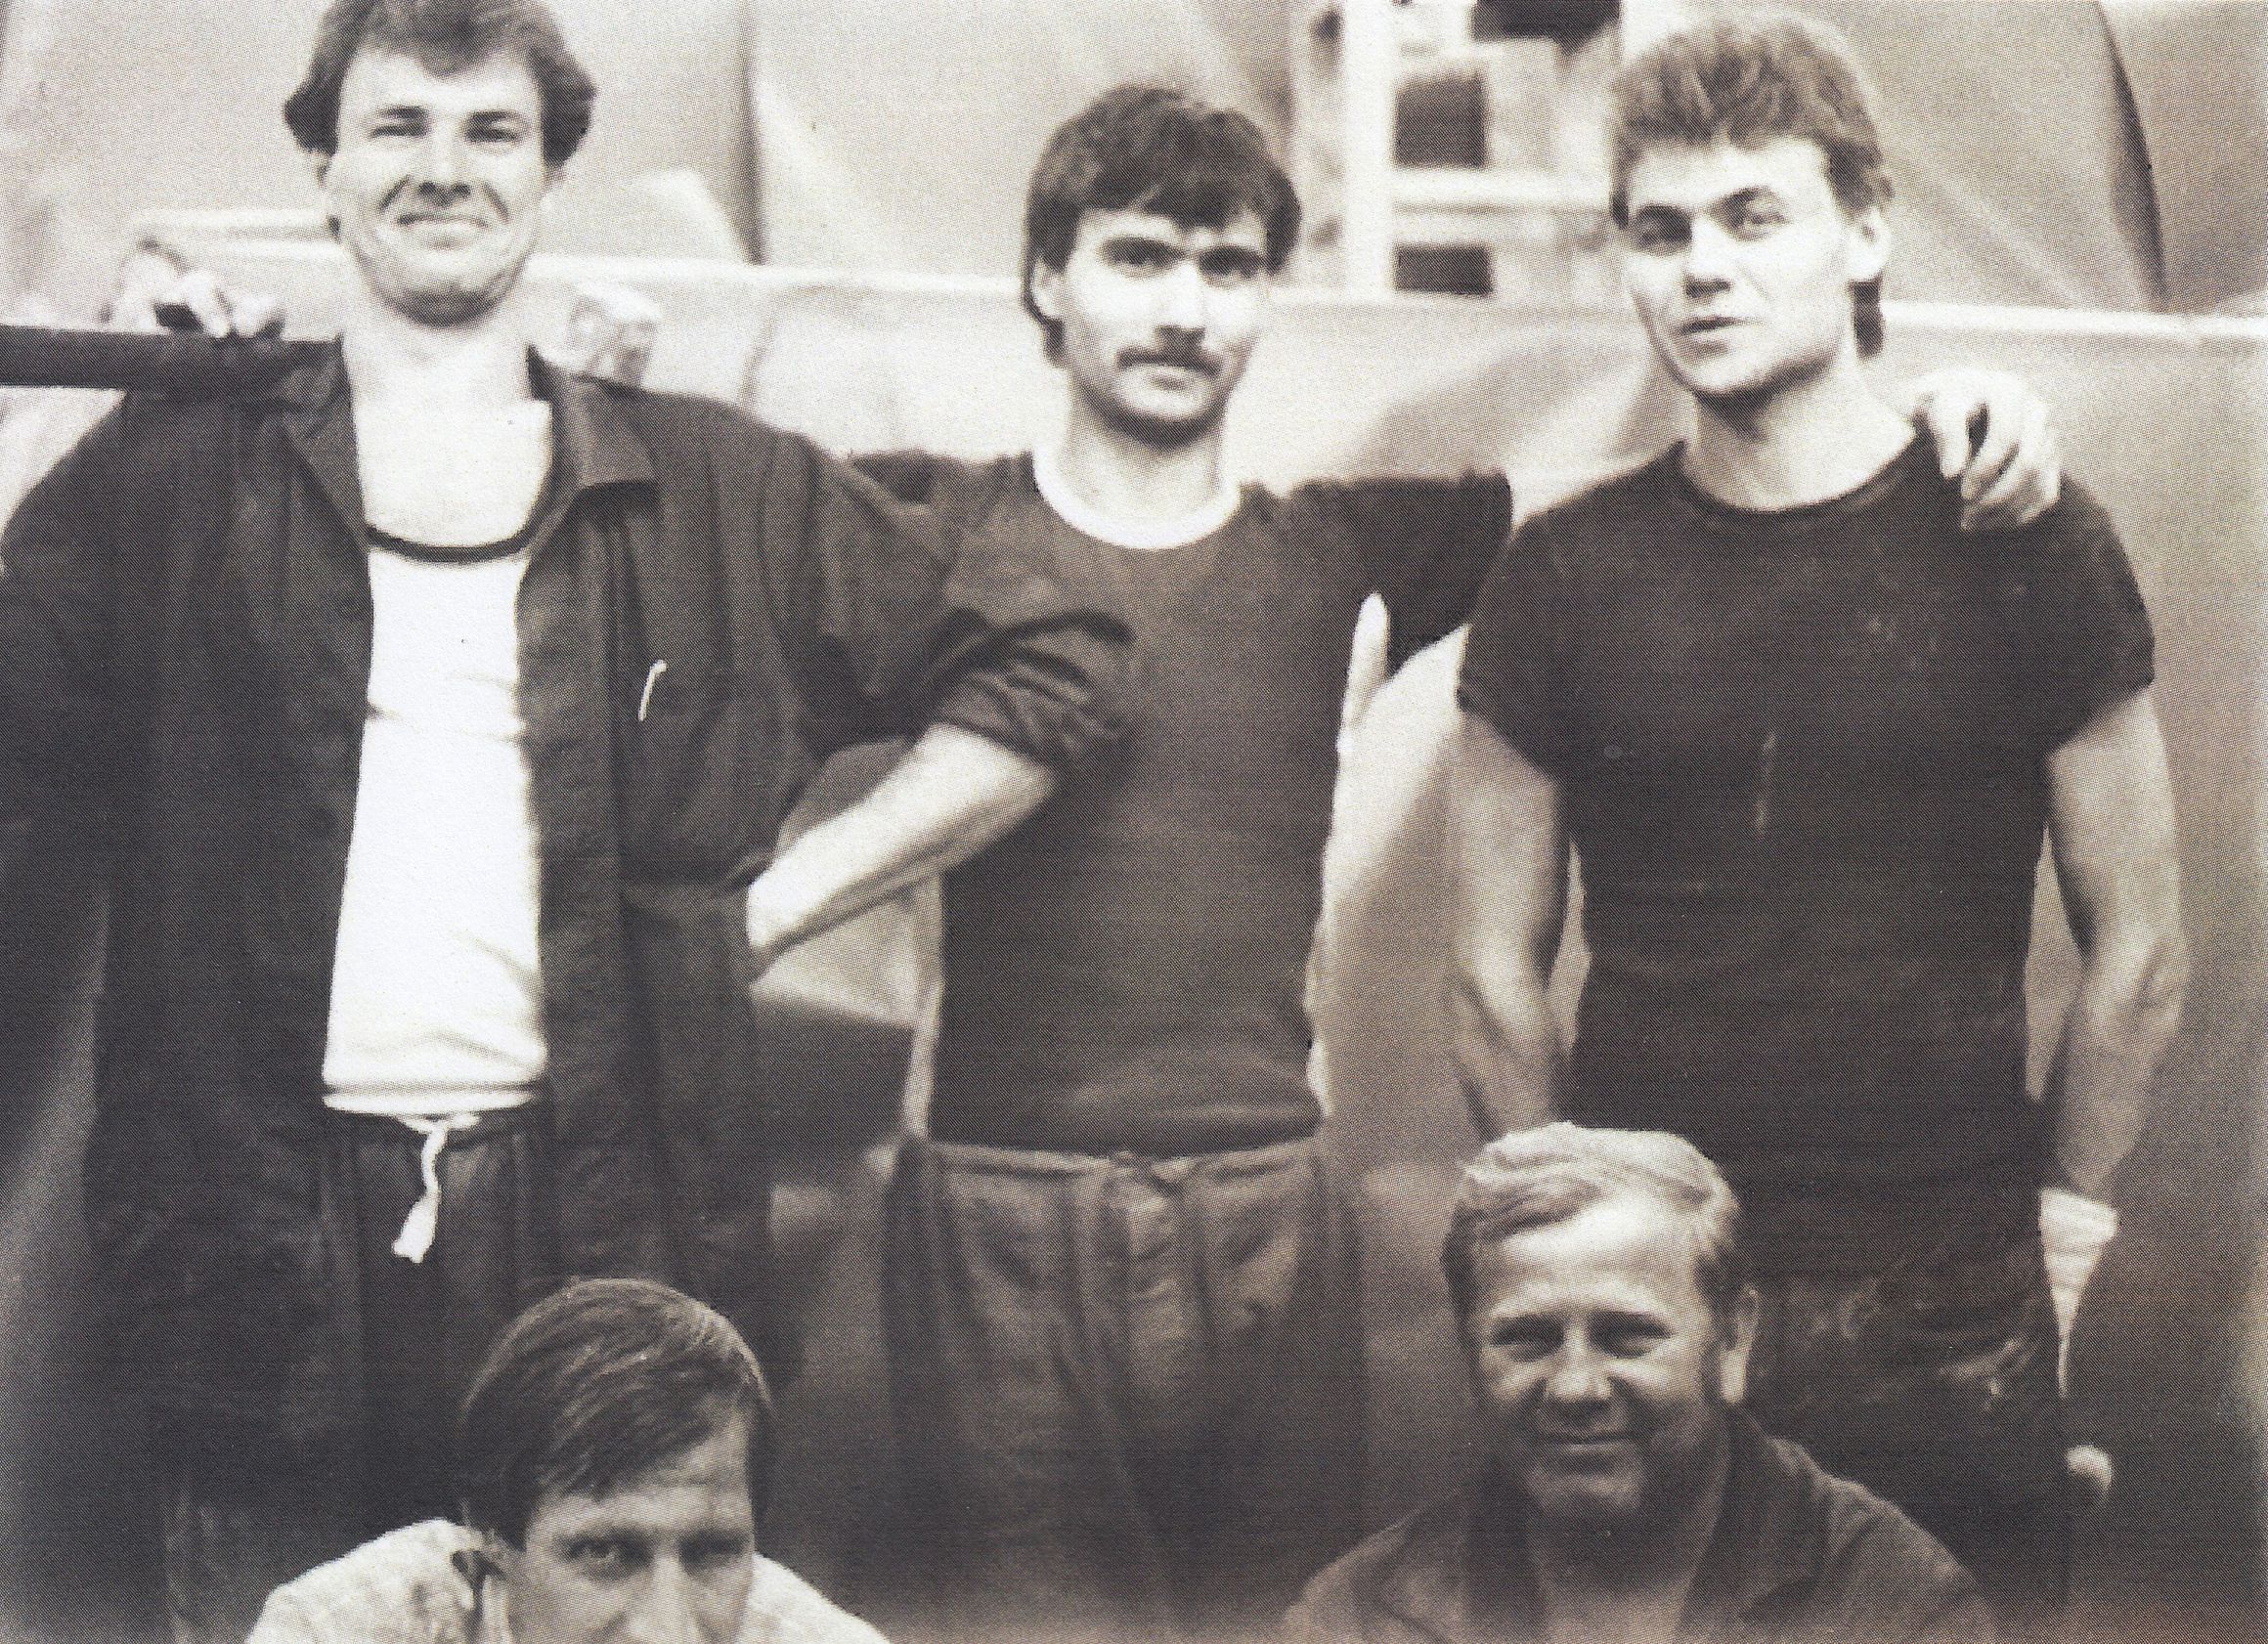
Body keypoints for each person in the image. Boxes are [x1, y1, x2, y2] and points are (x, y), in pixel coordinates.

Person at [0, 2, 1125, 1638]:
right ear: (323, 168)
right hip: (254, 1252)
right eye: (397, 126)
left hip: (602, 1243)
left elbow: (1057, 655)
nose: (445, 168)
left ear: (554, 171)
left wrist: (778, 906)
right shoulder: (174, 477)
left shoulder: (718, 488)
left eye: (491, 130)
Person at [842, 85, 2060, 1644]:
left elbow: (1745, 481)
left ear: (1268, 296)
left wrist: (1955, 403)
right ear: (1044, 277)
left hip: (1267, 1206)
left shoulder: (1350, 549)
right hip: (1000, 1199)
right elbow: (698, 525)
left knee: (1284, 1621)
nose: (1184, 310)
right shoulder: (929, 528)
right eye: (1138, 258)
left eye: (1227, 267)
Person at [1446, 15, 2188, 1628]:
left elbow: (2139, 951)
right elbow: (1491, 978)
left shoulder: (2029, 539)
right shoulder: (1561, 575)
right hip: (1659, 1306)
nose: (1701, 268)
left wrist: (2054, 1260)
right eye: (1661, 230)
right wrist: (1582, 1257)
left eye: (1751, 217)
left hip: (1953, 1296)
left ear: (1865, 231)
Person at [1286, 1124, 1995, 1644]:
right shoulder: (1357, 1616)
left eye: (1627, 1336)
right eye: (1526, 1339)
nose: (1574, 1387)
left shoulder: (1894, 1601)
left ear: (1732, 1340)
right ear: (1470, 1354)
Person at [247, 1277, 886, 1644]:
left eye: (713, 1551)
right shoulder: (345, 1629)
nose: (671, 1631)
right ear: (491, 1538)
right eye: (605, 1553)